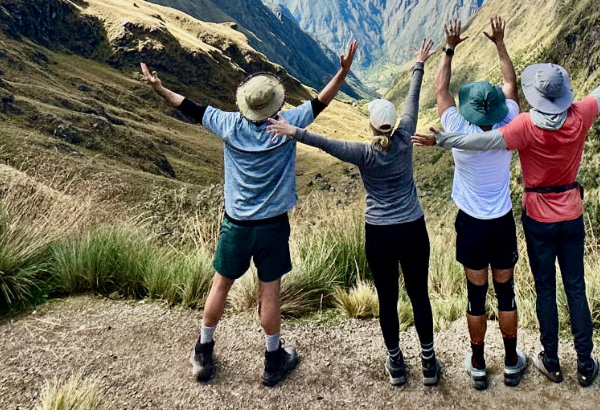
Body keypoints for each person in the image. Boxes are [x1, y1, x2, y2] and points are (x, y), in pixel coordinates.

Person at [417, 30, 600, 387]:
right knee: (574, 287)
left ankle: (550, 360)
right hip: (569, 213)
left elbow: (477, 139)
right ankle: (584, 363)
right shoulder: (578, 116)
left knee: (542, 289)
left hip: (536, 216)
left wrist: (442, 140)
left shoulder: (523, 127)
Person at [139, 41, 356, 387]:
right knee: (270, 292)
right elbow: (322, 101)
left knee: (220, 285)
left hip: (236, 224)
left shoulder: (227, 124)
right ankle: (273, 360)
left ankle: (203, 351)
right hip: (272, 226)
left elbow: (189, 107)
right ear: (273, 104)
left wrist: (160, 88)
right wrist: (343, 71)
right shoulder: (288, 124)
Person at [267, 39, 442, 389]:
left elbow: (324, 143)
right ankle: (428, 361)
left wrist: (292, 131)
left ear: (372, 127)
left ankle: (395, 363)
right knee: (419, 294)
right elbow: (412, 100)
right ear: (393, 125)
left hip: (379, 233)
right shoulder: (406, 136)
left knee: (388, 299)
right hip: (412, 228)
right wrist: (419, 63)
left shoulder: (363, 153)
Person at [433, 14, 526, 390]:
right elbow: (510, 84)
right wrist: (500, 43)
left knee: (475, 294)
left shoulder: (457, 128)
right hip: (501, 221)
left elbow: (441, 90)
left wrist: (449, 49)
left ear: (471, 109)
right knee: (506, 291)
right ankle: (509, 360)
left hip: (471, 223)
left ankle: (476, 361)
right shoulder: (511, 126)